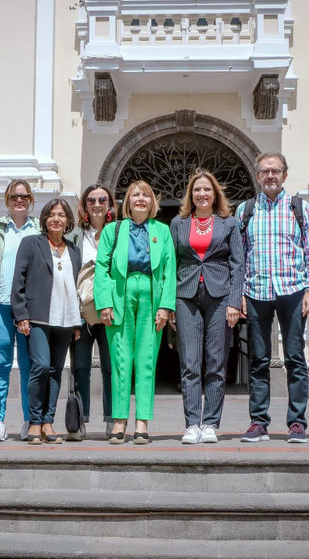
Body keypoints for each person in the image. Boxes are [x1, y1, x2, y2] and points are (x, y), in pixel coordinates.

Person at [236, 153, 309, 444]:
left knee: (295, 359)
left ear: (285, 175)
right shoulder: (245, 210)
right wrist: (240, 295)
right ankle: (258, 422)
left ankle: (297, 423)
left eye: (276, 171)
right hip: (256, 291)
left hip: (292, 291)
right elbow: (240, 257)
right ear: (257, 175)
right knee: (258, 360)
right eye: (265, 171)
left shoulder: (299, 208)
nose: (270, 176)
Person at [94, 180, 176, 445]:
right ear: (127, 202)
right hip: (121, 292)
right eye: (135, 195)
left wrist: (165, 306)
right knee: (120, 359)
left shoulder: (162, 231)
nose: (140, 199)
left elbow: (169, 270)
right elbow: (102, 268)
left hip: (151, 292)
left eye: (146, 195)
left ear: (153, 202)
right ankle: (119, 420)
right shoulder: (112, 230)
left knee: (146, 359)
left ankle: (142, 421)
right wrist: (104, 302)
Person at [170, 169, 243, 444]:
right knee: (190, 363)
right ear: (191, 195)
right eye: (197, 190)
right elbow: (172, 262)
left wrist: (235, 302)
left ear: (215, 194)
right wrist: (169, 303)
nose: (202, 194)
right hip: (186, 295)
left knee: (216, 362)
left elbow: (238, 264)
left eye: (207, 189)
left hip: (220, 295)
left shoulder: (229, 223)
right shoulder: (178, 222)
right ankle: (191, 424)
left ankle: (210, 423)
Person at [12, 199, 82, 444]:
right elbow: (18, 281)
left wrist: (77, 322)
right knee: (40, 366)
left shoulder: (73, 249)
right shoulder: (31, 243)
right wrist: (20, 315)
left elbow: (76, 286)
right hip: (39, 318)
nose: (56, 219)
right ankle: (34, 422)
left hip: (66, 320)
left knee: (55, 371)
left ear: (68, 221)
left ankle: (48, 422)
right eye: (52, 214)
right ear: (44, 219)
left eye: (61, 215)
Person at [0, 179, 40, 442]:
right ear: (7, 200)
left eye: (25, 196)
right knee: (1, 363)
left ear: (31, 200)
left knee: (29, 366)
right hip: (1, 306)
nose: (20, 200)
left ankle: (30, 421)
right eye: (15, 196)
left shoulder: (39, 229)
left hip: (29, 308)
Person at [68, 184, 117, 440]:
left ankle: (112, 420)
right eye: (91, 200)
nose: (97, 204)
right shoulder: (76, 236)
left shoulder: (118, 233)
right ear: (85, 206)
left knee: (111, 368)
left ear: (109, 204)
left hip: (111, 311)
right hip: (82, 312)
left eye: (102, 200)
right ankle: (80, 421)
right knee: (81, 367)